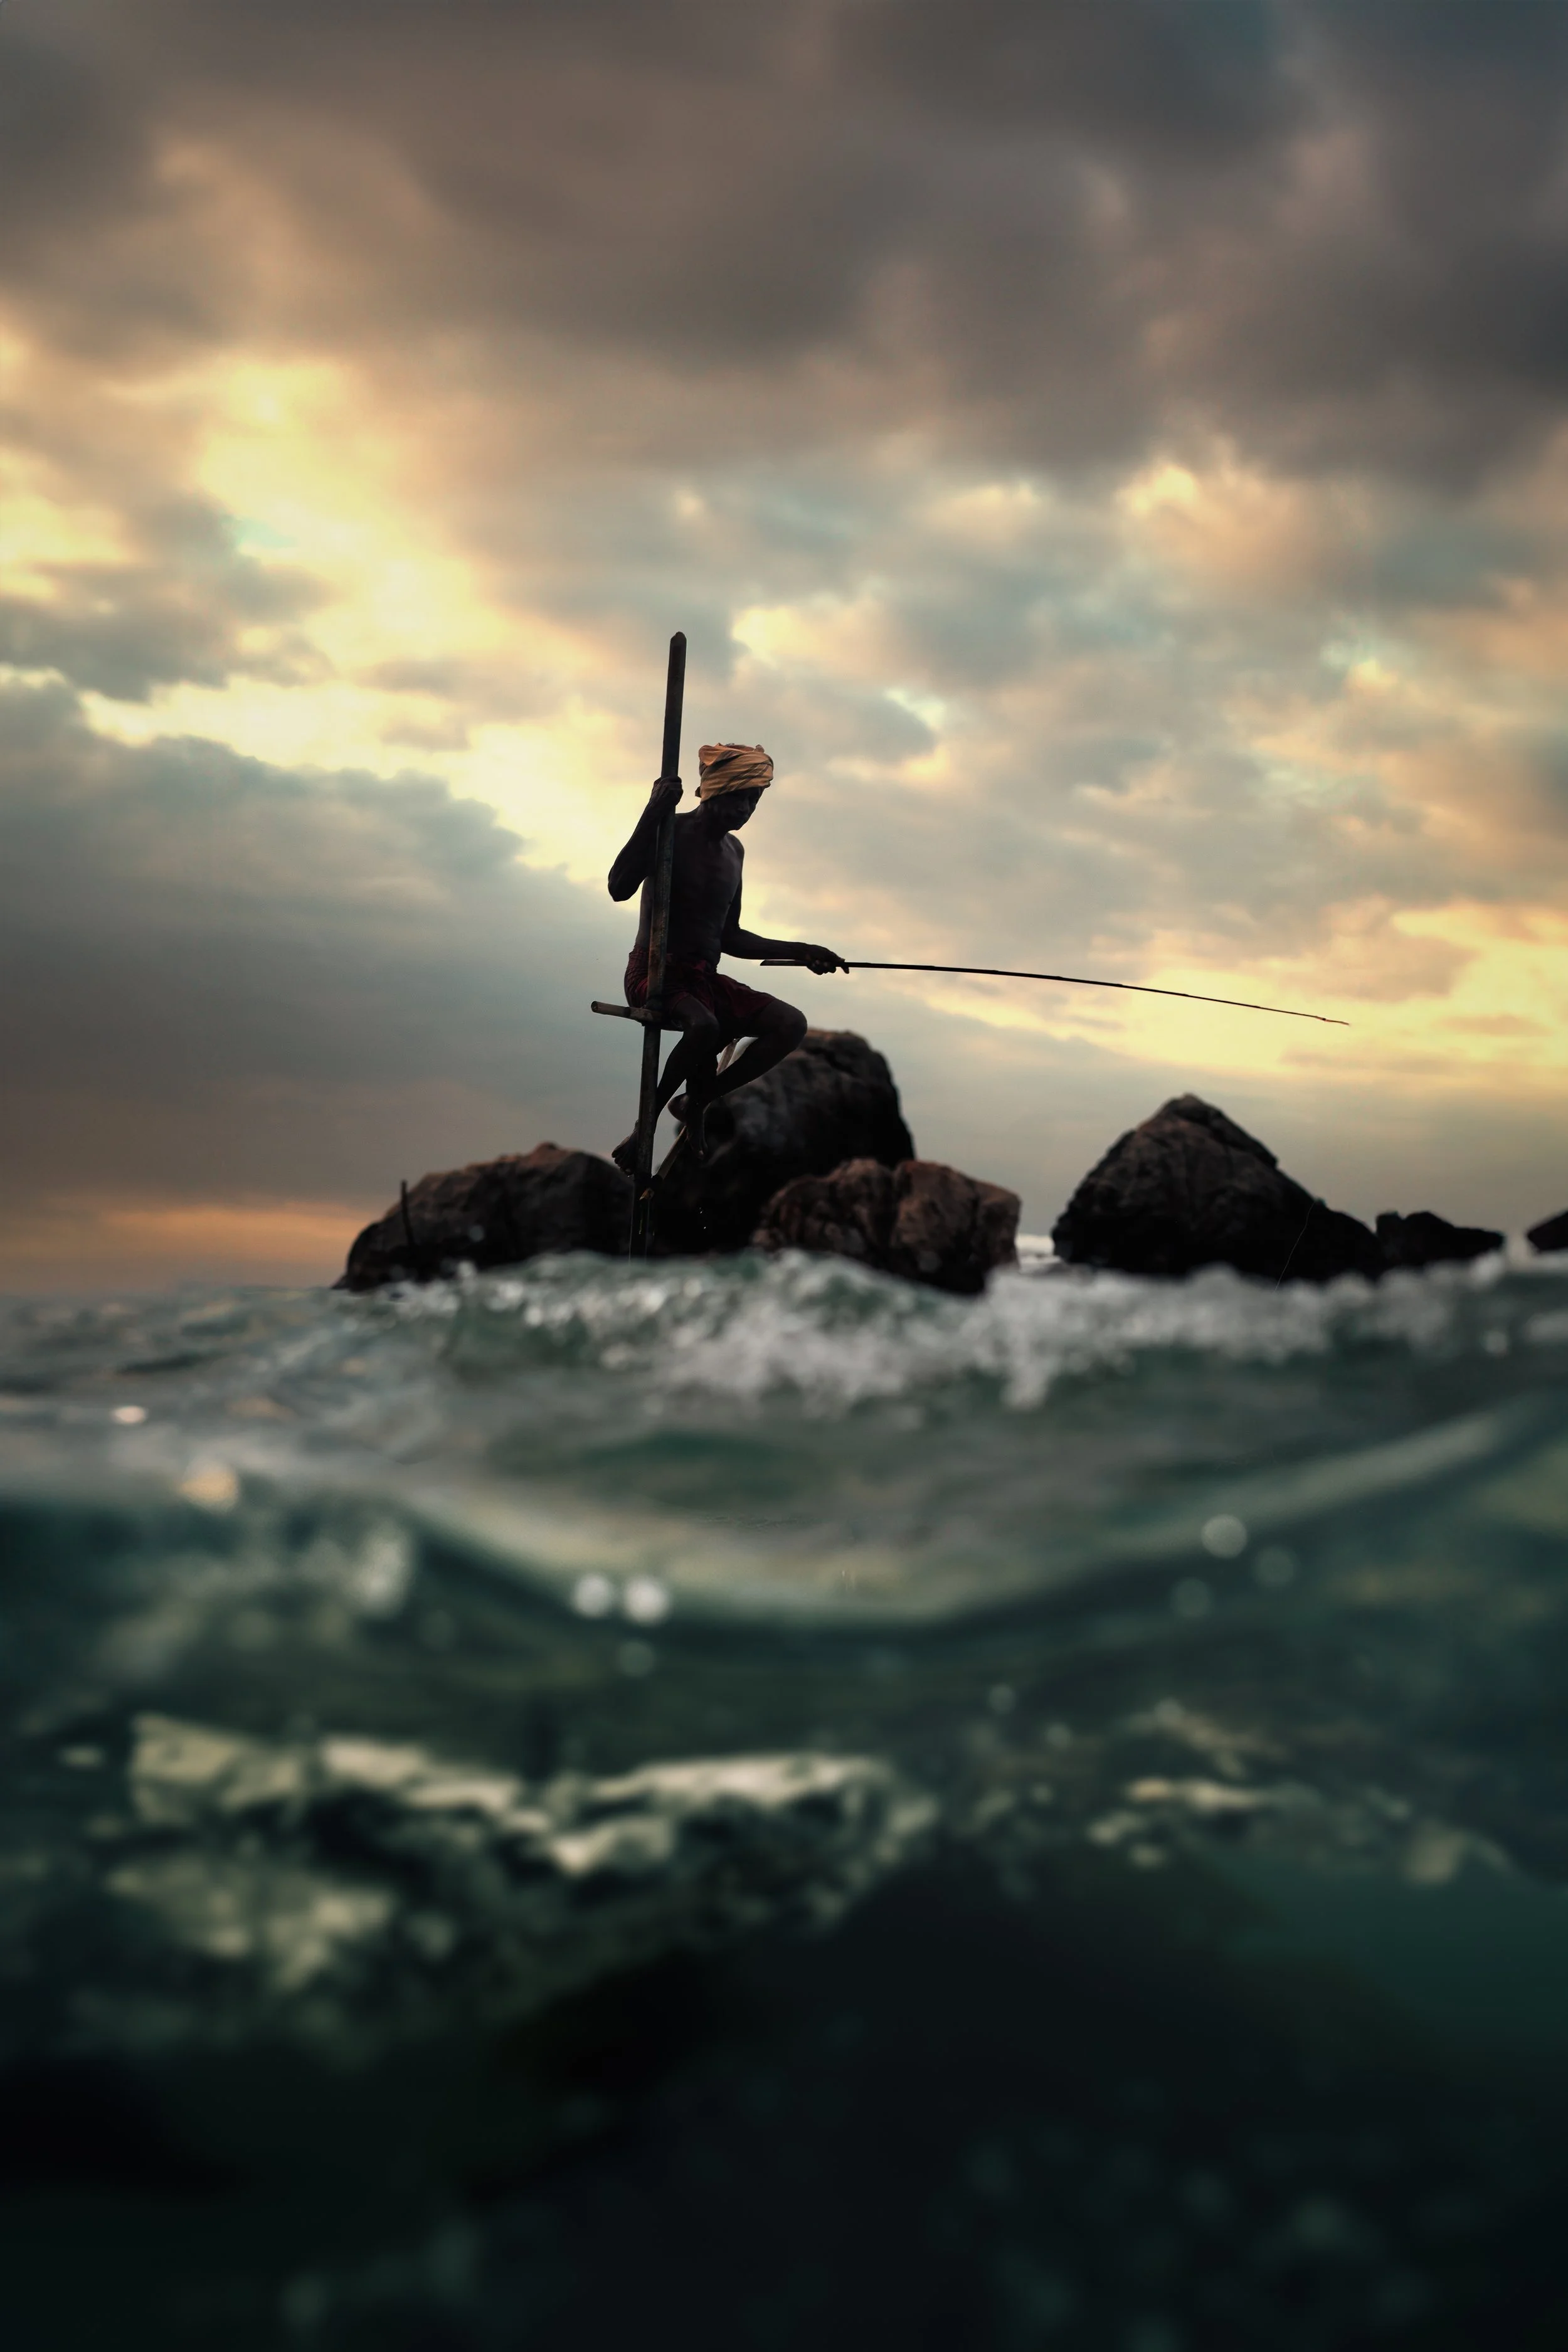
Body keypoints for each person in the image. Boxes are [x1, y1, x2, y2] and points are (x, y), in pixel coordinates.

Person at [607, 741, 845, 1166]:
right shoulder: (670, 832)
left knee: (790, 1023)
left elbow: (730, 937)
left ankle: (698, 1099)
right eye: (741, 797)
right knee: (703, 1027)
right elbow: (618, 887)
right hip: (655, 974)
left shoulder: (734, 853)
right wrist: (653, 811)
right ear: (717, 789)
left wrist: (802, 951)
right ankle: (646, 1125)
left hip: (704, 981)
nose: (748, 809)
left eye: (755, 800)